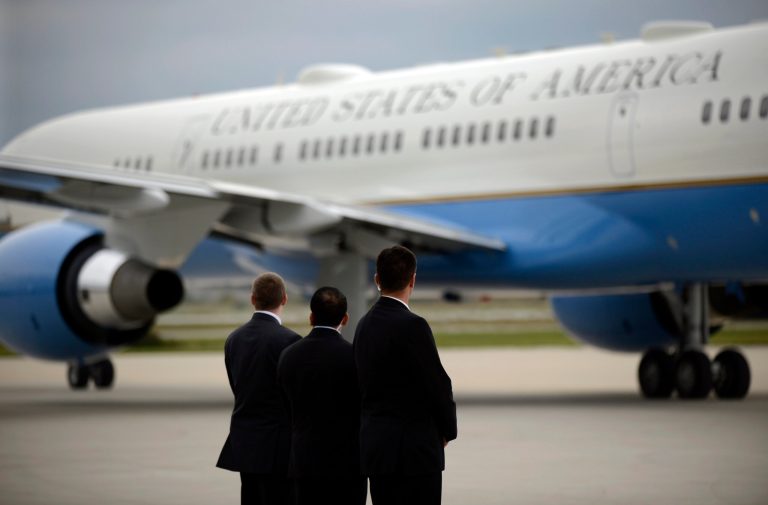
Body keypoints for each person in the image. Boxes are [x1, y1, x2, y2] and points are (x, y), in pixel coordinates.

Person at [353, 245, 457, 505]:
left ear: (377, 279)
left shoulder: (363, 325)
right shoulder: (414, 325)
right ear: (413, 280)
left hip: (377, 449)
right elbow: (436, 385)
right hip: (415, 452)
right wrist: (447, 430)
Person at [277, 287, 367, 505]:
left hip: (305, 461)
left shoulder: (288, 355)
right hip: (348, 463)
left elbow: (285, 404)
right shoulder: (355, 357)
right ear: (345, 318)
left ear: (311, 317)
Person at [216, 272, 301, 505]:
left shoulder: (234, 339)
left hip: (246, 440)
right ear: (284, 299)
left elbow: (237, 385)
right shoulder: (290, 341)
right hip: (279, 443)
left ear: (252, 299)